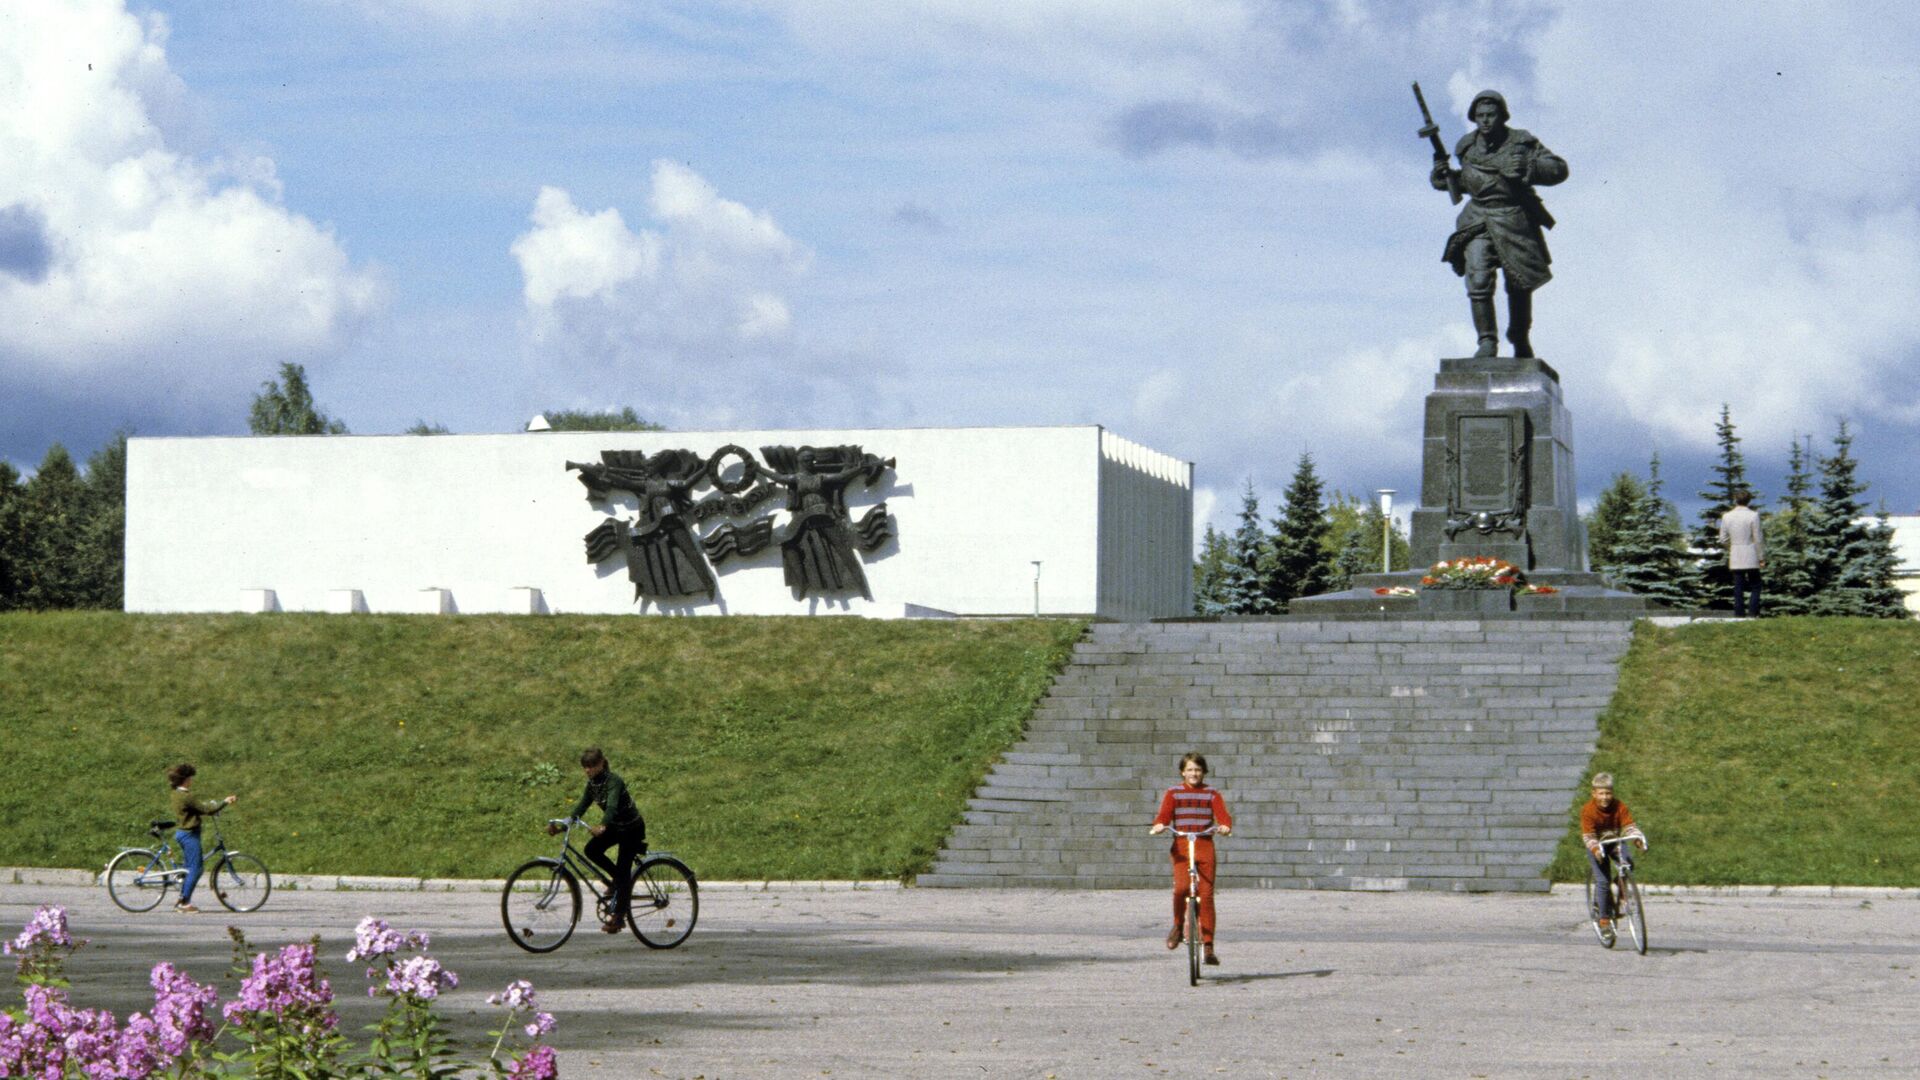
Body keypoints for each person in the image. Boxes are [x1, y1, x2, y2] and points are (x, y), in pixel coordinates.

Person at [1431, 90, 1568, 359]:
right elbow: (1467, 183)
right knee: (1478, 279)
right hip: (1478, 220)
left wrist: (1529, 167)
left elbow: (1559, 169)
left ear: (1502, 115)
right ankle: (1486, 341)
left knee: (1518, 284)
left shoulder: (1521, 141)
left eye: (1490, 115)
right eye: (1479, 115)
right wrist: (1442, 178)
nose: (1485, 120)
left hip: (1513, 219)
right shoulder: (1466, 147)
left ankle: (1519, 335)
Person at [1148, 752, 1233, 965]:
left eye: (1197, 770)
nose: (1194, 773)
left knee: (1206, 894)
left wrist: (1224, 826)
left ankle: (1208, 945)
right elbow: (1164, 815)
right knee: (1181, 888)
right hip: (1182, 845)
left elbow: (1223, 816)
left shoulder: (1212, 793)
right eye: (1190, 770)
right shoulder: (1174, 793)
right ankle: (1178, 926)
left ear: (1203, 772)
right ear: (1182, 772)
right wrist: (1159, 825)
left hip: (1204, 844)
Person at [553, 747, 646, 933]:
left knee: (623, 869)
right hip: (616, 827)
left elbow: (611, 807)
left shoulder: (614, 781)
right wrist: (561, 826)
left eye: (592, 766)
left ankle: (619, 917)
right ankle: (616, 881)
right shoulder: (592, 785)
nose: (588, 770)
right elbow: (580, 808)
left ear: (602, 764)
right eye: (585, 767)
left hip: (631, 828)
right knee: (592, 850)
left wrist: (602, 826)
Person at [1579, 772, 1645, 939]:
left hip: (1615, 841)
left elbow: (1629, 825)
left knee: (1628, 862)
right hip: (1597, 844)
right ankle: (1604, 920)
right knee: (1602, 881)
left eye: (1608, 793)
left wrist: (1637, 838)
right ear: (1594, 793)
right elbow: (1588, 836)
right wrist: (1595, 850)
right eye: (1601, 793)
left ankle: (1621, 882)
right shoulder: (1588, 810)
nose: (1605, 797)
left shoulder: (1619, 806)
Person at [166, 763, 236, 914]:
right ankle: (184, 903)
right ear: (186, 779)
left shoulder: (176, 793)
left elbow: (194, 810)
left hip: (183, 833)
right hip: (189, 835)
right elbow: (207, 810)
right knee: (197, 869)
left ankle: (182, 898)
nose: (192, 780)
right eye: (191, 778)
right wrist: (225, 802)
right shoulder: (187, 796)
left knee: (190, 868)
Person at [1718, 489, 1765, 617]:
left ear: (1735, 500)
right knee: (1756, 585)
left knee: (1738, 586)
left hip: (1736, 554)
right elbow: (1758, 538)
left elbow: (1723, 538)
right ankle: (1752, 613)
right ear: (1749, 500)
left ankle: (1739, 615)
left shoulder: (1727, 516)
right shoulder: (1753, 515)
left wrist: (1731, 547)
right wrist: (1761, 557)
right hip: (1751, 554)